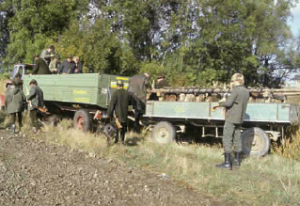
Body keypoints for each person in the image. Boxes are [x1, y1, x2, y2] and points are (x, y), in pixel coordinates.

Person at [215, 73, 249, 169]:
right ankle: (237, 162)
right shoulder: (246, 91)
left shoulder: (236, 90)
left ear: (237, 80)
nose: (232, 83)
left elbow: (229, 103)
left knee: (227, 139)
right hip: (239, 119)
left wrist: (221, 103)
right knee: (237, 139)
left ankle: (227, 163)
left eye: (233, 81)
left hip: (231, 118)